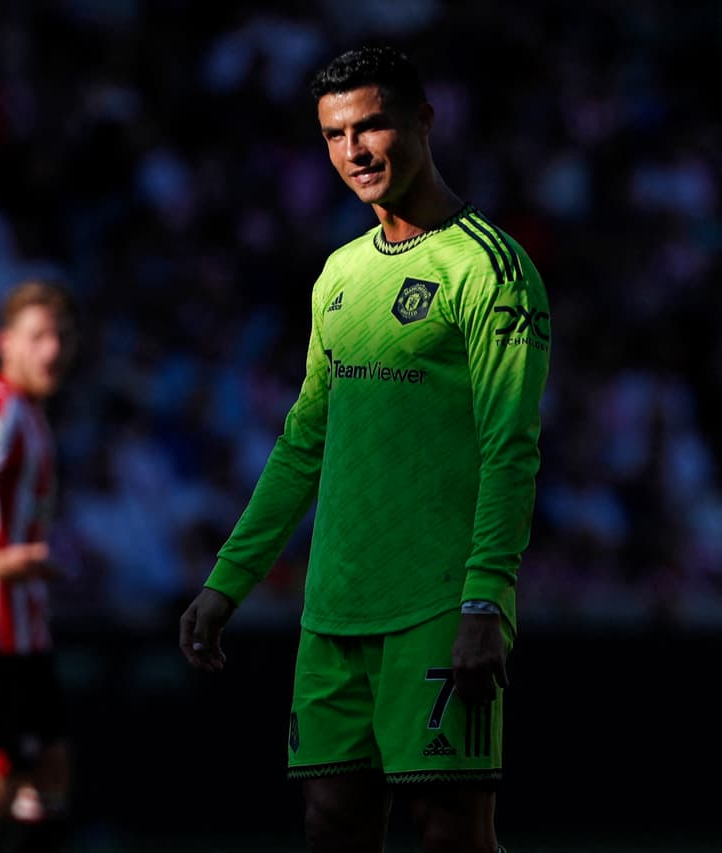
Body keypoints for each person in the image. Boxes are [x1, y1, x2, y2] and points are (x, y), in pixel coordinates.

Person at [178, 45, 550, 853]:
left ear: (422, 121)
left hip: (438, 605)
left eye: (372, 124)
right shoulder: (339, 274)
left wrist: (484, 601)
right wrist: (228, 579)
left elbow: (510, 446)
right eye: (334, 133)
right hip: (333, 610)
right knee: (331, 826)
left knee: (452, 832)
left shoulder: (489, 269)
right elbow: (303, 442)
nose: (354, 150)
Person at [0, 281, 76, 852]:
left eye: (60, 336)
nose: (51, 350)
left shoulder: (29, 412)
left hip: (24, 625)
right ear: (5, 343)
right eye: (37, 337)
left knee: (49, 766)